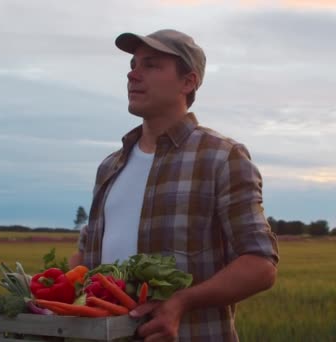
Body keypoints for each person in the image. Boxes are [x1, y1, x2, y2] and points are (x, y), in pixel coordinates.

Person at [70, 29, 279, 341]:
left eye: (151, 65)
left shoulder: (222, 157)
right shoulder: (110, 166)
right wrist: (47, 293)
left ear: (188, 82)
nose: (133, 74)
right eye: (133, 64)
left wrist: (182, 302)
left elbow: (261, 265)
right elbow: (86, 259)